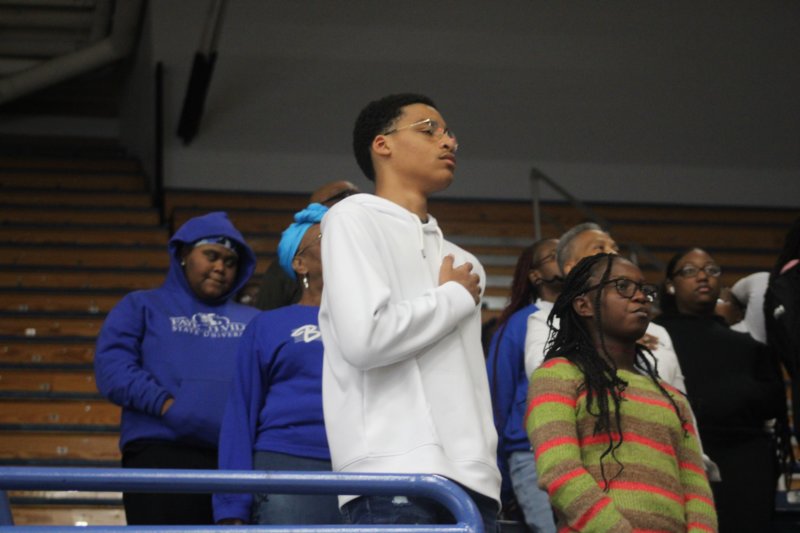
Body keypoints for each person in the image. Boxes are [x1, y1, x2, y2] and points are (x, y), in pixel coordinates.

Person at [319, 93, 500, 531]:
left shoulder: (465, 265)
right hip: (388, 471)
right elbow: (365, 340)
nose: (449, 141)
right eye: (429, 130)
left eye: (450, 133)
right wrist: (451, 298)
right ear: (382, 144)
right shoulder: (351, 218)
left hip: (475, 480)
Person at [526, 253, 717, 532]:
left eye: (643, 289)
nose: (640, 297)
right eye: (623, 286)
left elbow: (697, 489)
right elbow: (559, 471)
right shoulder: (557, 376)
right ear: (584, 305)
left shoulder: (672, 398)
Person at [94, 211, 259, 525]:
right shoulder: (141, 305)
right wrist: (168, 406)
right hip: (159, 450)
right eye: (211, 256)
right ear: (184, 255)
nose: (220, 267)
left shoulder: (255, 320)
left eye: (230, 262)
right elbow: (112, 368)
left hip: (234, 458)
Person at [213, 203, 340, 525]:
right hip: (288, 464)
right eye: (327, 237)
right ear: (300, 263)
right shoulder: (268, 325)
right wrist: (231, 505)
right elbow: (240, 412)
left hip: (363, 466)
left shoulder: (374, 321)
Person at [656, 248, 789, 532]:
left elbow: (774, 401)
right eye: (689, 271)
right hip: (676, 454)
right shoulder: (652, 336)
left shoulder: (748, 344)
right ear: (670, 285)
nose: (703, 276)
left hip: (745, 462)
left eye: (711, 270)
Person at [524, 222, 687, 395]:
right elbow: (545, 377)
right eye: (599, 247)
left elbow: (679, 399)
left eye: (615, 247)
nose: (612, 252)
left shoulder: (657, 331)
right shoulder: (544, 321)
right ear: (572, 268)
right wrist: (617, 344)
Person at [485, 239, 559, 533]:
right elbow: (497, 399)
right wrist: (500, 475)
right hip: (531, 453)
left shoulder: (594, 321)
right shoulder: (519, 324)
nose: (564, 258)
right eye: (554, 256)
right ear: (535, 275)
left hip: (584, 450)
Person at [253, 180, 359, 311]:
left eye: (358, 195)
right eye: (345, 195)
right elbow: (269, 314)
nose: (356, 200)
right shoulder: (283, 269)